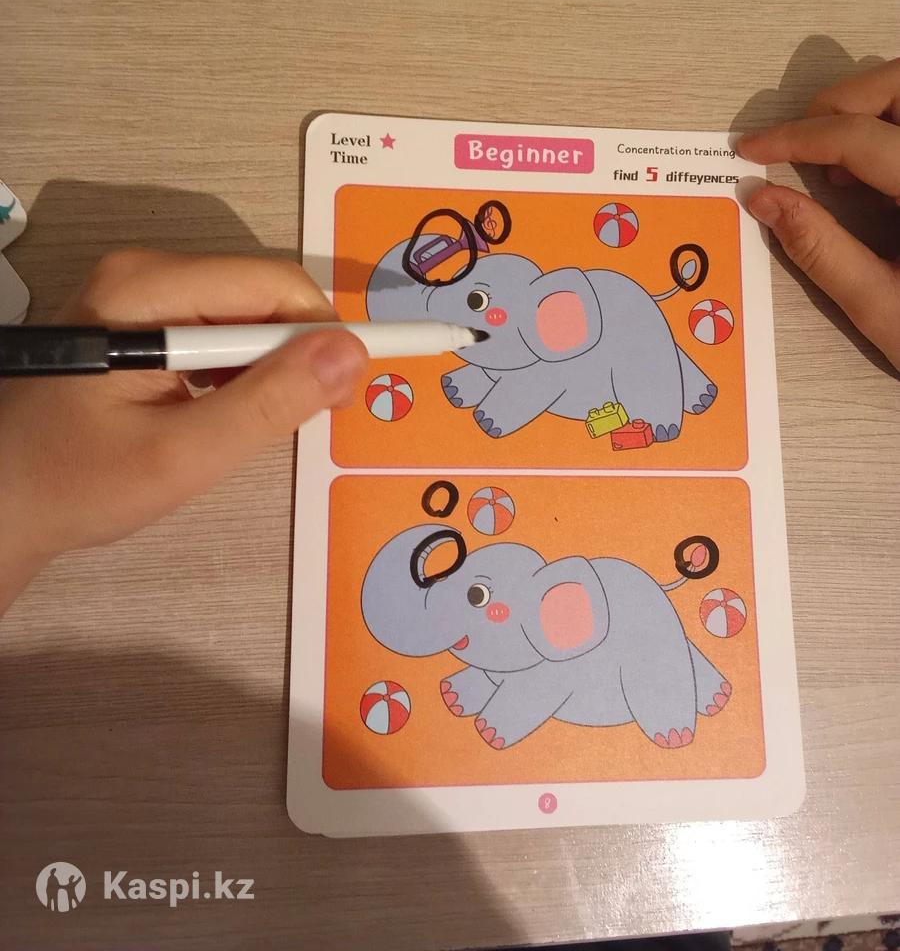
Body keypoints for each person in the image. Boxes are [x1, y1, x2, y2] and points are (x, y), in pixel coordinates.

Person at [0, 60, 897, 613]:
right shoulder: (515, 321)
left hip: (620, 375)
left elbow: (542, 380)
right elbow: (512, 365)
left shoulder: (575, 328)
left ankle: (672, 401)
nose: (475, 319)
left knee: (644, 397)